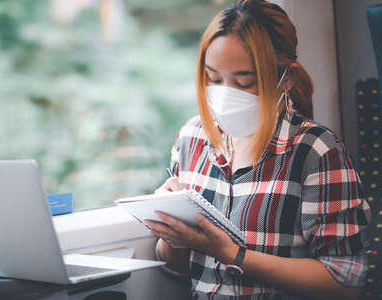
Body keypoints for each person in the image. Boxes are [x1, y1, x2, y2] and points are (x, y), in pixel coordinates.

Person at [143, 0, 371, 299]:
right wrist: (174, 233)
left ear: (285, 79)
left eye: (244, 82)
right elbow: (177, 269)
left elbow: (343, 284)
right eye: (213, 78)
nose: (224, 94)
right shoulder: (191, 139)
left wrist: (234, 255)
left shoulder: (317, 152)